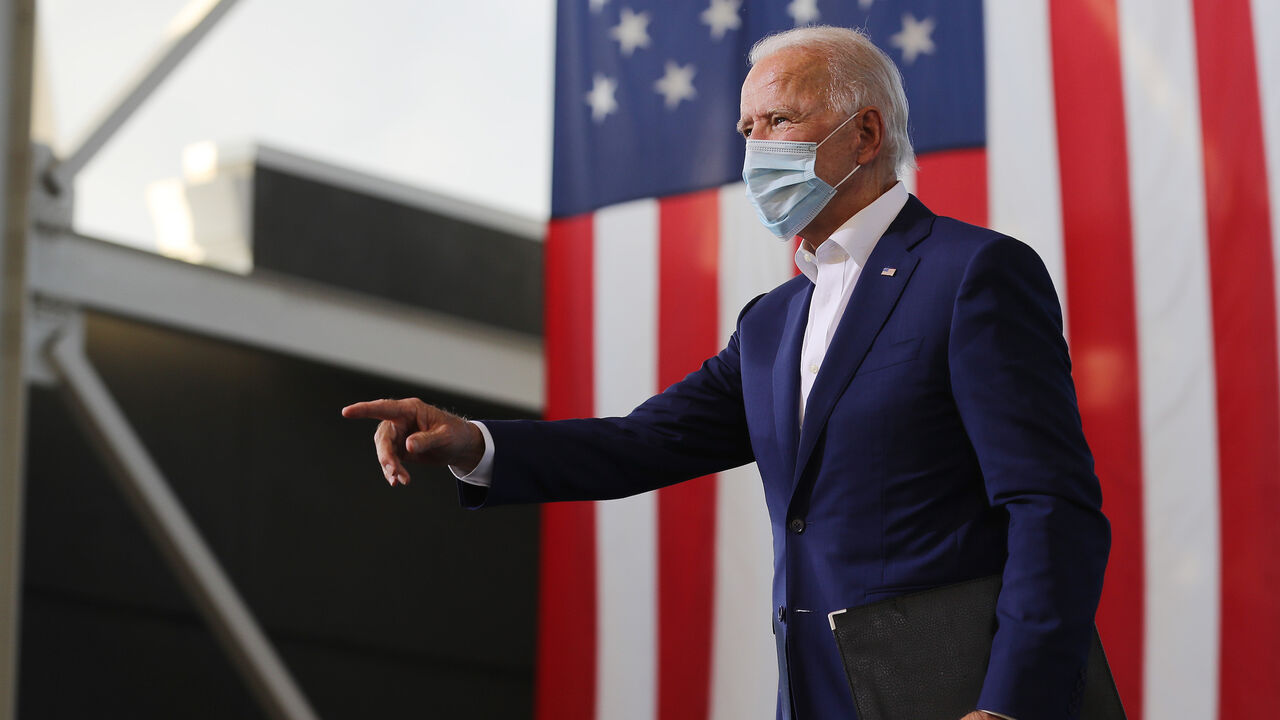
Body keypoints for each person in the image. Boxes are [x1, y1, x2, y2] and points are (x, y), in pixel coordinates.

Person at [343, 25, 1110, 720]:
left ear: (865, 132)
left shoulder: (971, 274)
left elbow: (1051, 505)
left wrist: (1013, 705)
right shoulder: (772, 324)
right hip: (816, 696)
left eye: (778, 120)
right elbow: (644, 442)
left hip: (956, 693)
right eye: (747, 128)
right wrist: (472, 441)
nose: (755, 149)